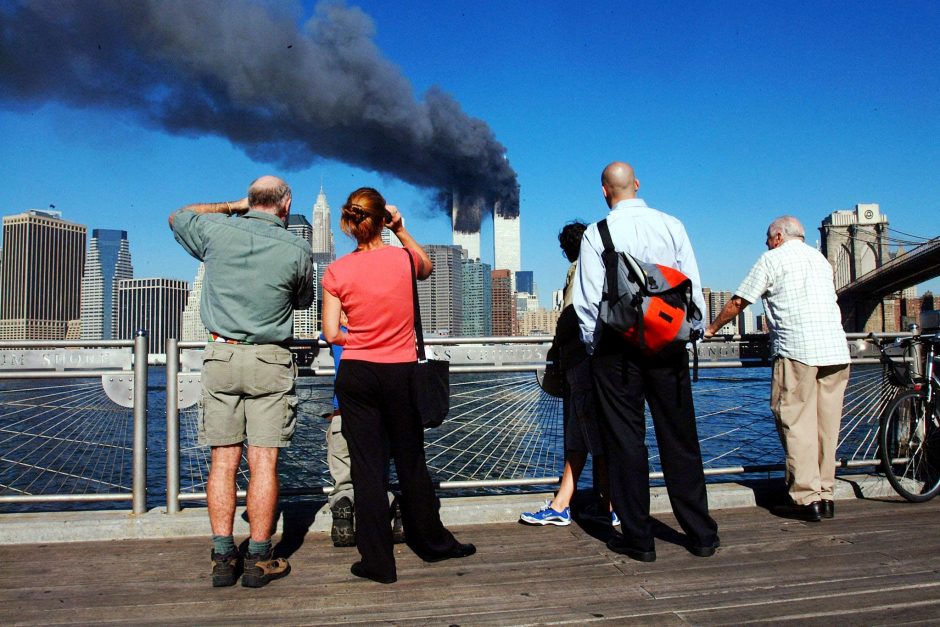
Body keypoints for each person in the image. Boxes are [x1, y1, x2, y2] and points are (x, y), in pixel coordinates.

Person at [322, 187, 475, 584]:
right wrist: (402, 228)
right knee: (411, 463)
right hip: (401, 373)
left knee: (367, 471)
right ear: (379, 220)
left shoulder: (337, 270)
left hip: (357, 372)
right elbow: (427, 266)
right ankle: (432, 544)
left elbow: (329, 331)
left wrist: (355, 337)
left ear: (350, 223)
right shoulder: (403, 258)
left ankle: (377, 562)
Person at [169, 175, 314, 588]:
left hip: (222, 356)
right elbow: (303, 299)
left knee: (223, 460)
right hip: (271, 358)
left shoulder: (217, 230)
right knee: (264, 461)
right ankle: (259, 558)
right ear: (285, 205)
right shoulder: (297, 247)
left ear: (250, 201)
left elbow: (178, 216)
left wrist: (231, 207)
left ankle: (221, 557)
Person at [573, 161, 719, 562]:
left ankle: (639, 538)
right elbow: (692, 285)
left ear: (605, 191)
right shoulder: (672, 225)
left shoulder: (596, 233)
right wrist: (690, 331)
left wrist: (595, 349)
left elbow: (586, 301)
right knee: (680, 438)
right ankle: (701, 532)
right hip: (669, 343)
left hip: (617, 351)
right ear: (637, 185)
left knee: (625, 443)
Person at [705, 216, 850, 522]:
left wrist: (712, 328)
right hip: (836, 351)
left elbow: (739, 301)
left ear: (779, 236)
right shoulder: (821, 261)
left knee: (795, 422)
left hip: (798, 350)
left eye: (768, 238)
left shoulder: (772, 259)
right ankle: (826, 495)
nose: (766, 243)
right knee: (827, 426)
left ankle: (805, 499)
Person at [521, 222, 613, 527]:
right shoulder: (602, 265)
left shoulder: (581, 268)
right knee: (581, 434)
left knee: (592, 435)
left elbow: (573, 314)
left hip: (582, 362)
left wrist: (558, 344)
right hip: (599, 362)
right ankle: (569, 504)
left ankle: (610, 505)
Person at [320, 311, 403, 547]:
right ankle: (392, 505)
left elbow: (326, 332)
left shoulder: (337, 331)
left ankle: (344, 506)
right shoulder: (382, 328)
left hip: (342, 413)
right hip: (378, 415)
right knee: (376, 475)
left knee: (343, 476)